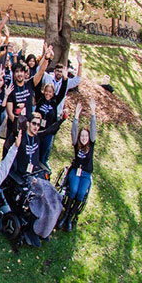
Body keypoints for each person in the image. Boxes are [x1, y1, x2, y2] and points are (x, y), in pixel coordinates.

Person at [58, 99, 96, 231]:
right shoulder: (76, 144)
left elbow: (93, 128)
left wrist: (93, 113)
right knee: (73, 190)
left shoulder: (91, 144)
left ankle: (70, 218)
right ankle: (65, 215)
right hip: (75, 171)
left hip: (86, 174)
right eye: (82, 136)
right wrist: (76, 117)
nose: (84, 138)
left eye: (86, 136)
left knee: (80, 193)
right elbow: (74, 131)